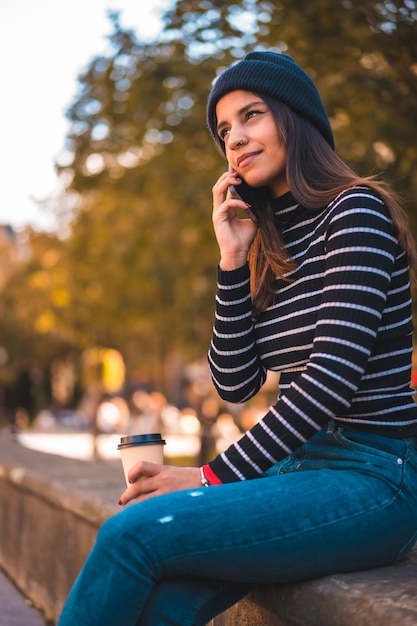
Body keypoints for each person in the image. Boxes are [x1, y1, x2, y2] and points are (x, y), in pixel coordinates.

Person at [57, 51, 417, 626]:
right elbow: (235, 383)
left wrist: (206, 477)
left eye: (251, 116)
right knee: (164, 602)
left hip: (374, 477)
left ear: (294, 121)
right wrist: (231, 260)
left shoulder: (358, 214)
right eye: (225, 130)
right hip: (296, 469)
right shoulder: (268, 241)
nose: (235, 138)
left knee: (132, 534)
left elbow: (329, 381)